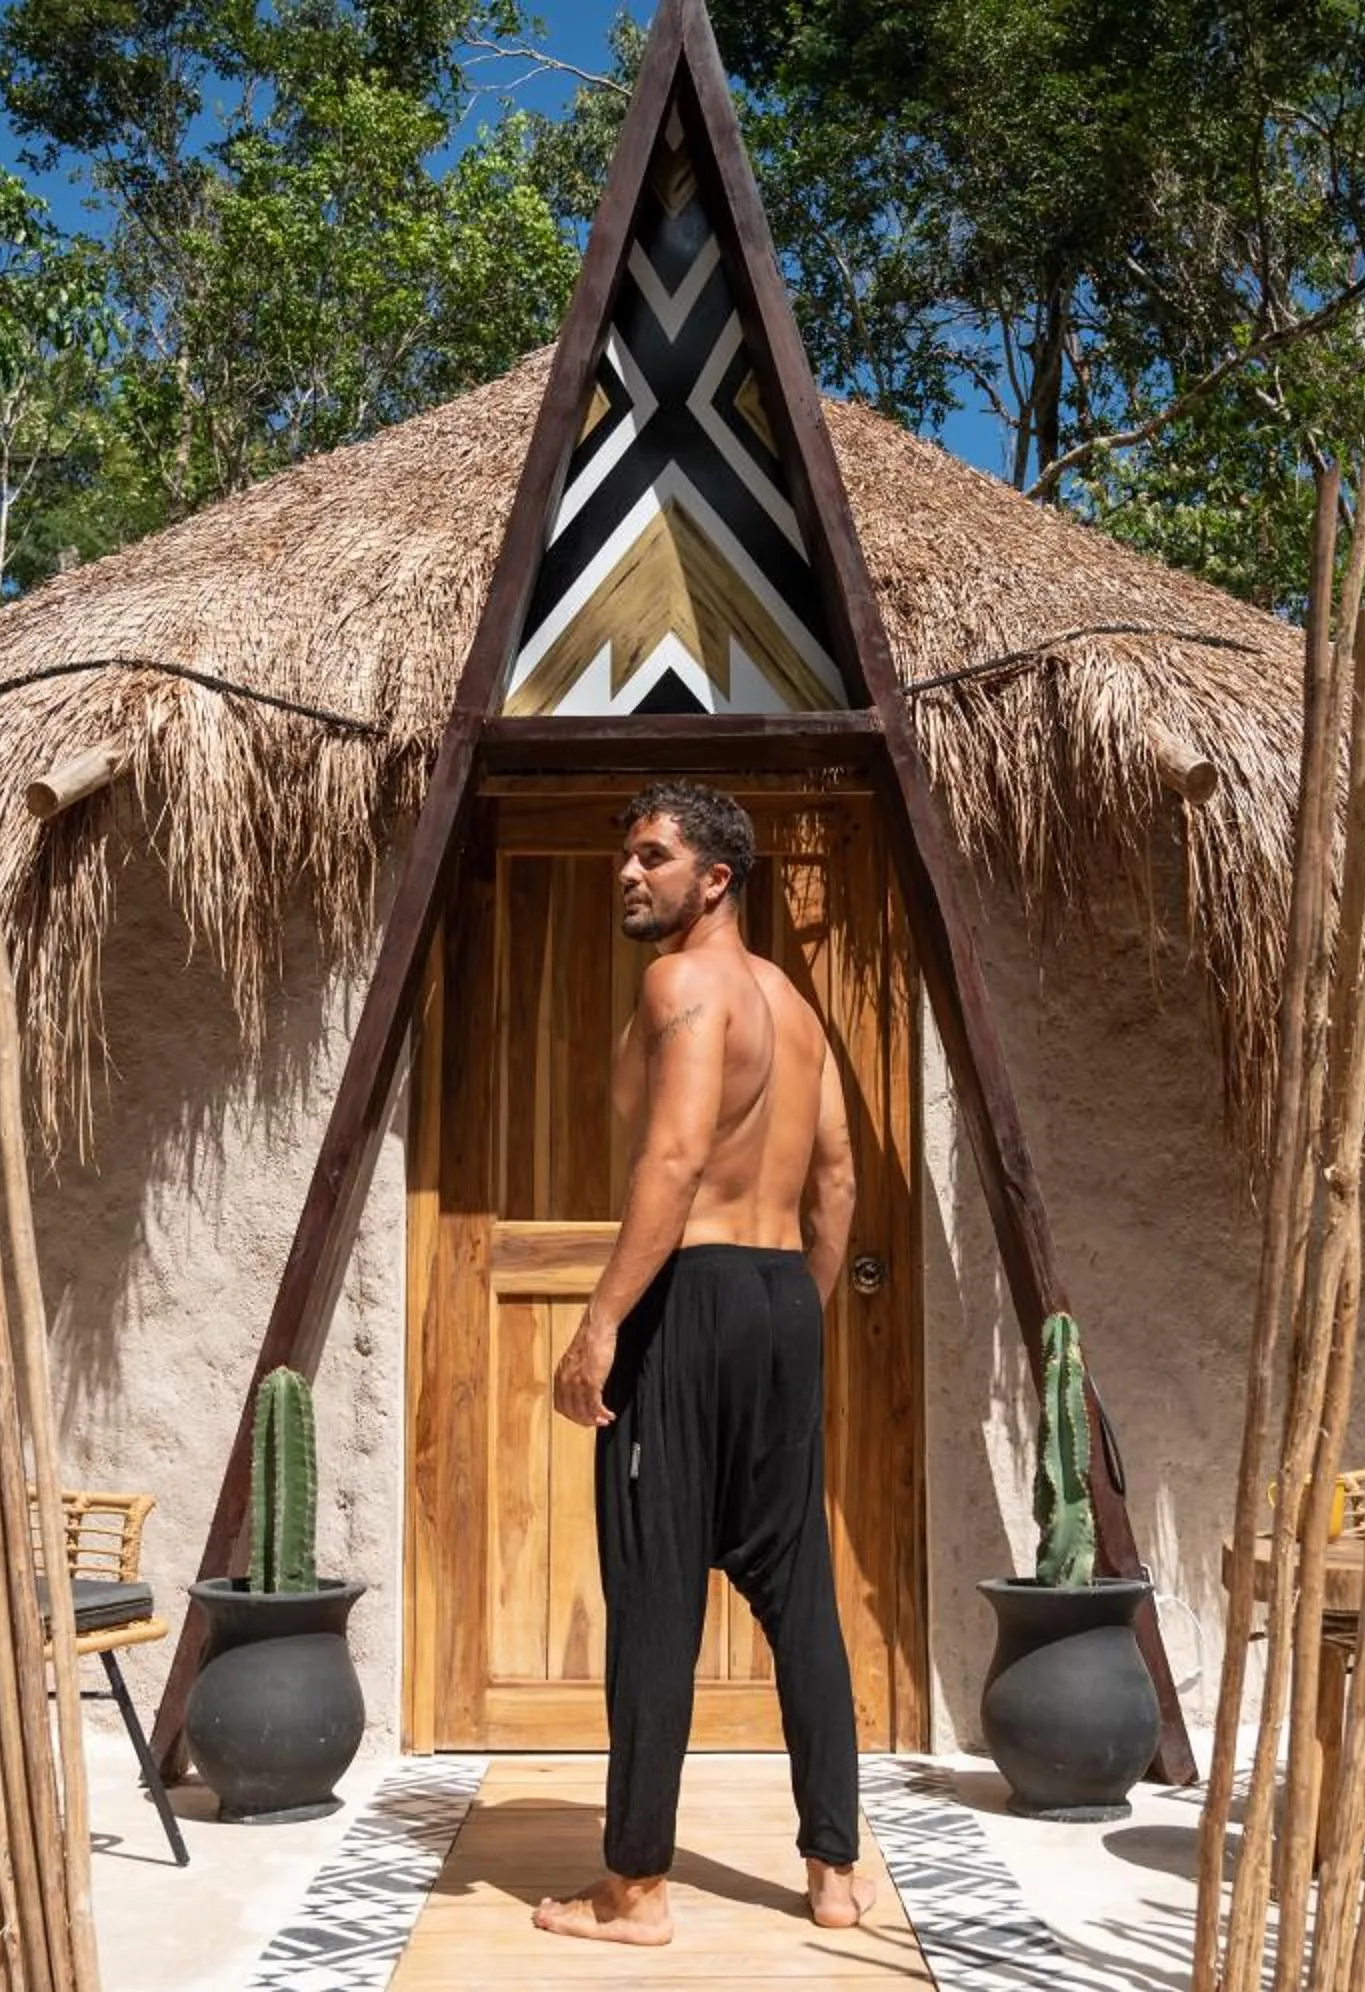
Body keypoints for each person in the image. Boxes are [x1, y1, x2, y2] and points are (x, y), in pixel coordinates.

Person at [531, 781, 873, 1948]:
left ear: (714, 879)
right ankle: (834, 1870)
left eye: (652, 857)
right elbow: (838, 1185)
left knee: (653, 1596)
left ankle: (633, 1888)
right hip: (781, 1297)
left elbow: (672, 1162)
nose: (629, 874)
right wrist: (790, 1312)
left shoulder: (680, 984)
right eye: (625, 857)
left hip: (691, 1296)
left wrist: (603, 1323)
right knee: (801, 1597)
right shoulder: (793, 1005)